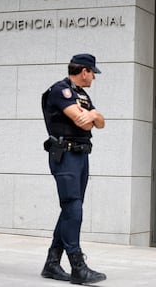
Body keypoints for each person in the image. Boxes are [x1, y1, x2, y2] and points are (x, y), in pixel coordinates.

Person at [41, 54, 106, 285]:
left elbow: (100, 122)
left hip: (80, 155)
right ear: (84, 71)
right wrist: (92, 117)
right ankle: (77, 265)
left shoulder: (82, 94)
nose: (94, 78)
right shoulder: (61, 91)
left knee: (71, 208)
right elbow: (84, 122)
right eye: (92, 73)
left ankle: (52, 263)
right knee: (73, 207)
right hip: (65, 154)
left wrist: (94, 114)